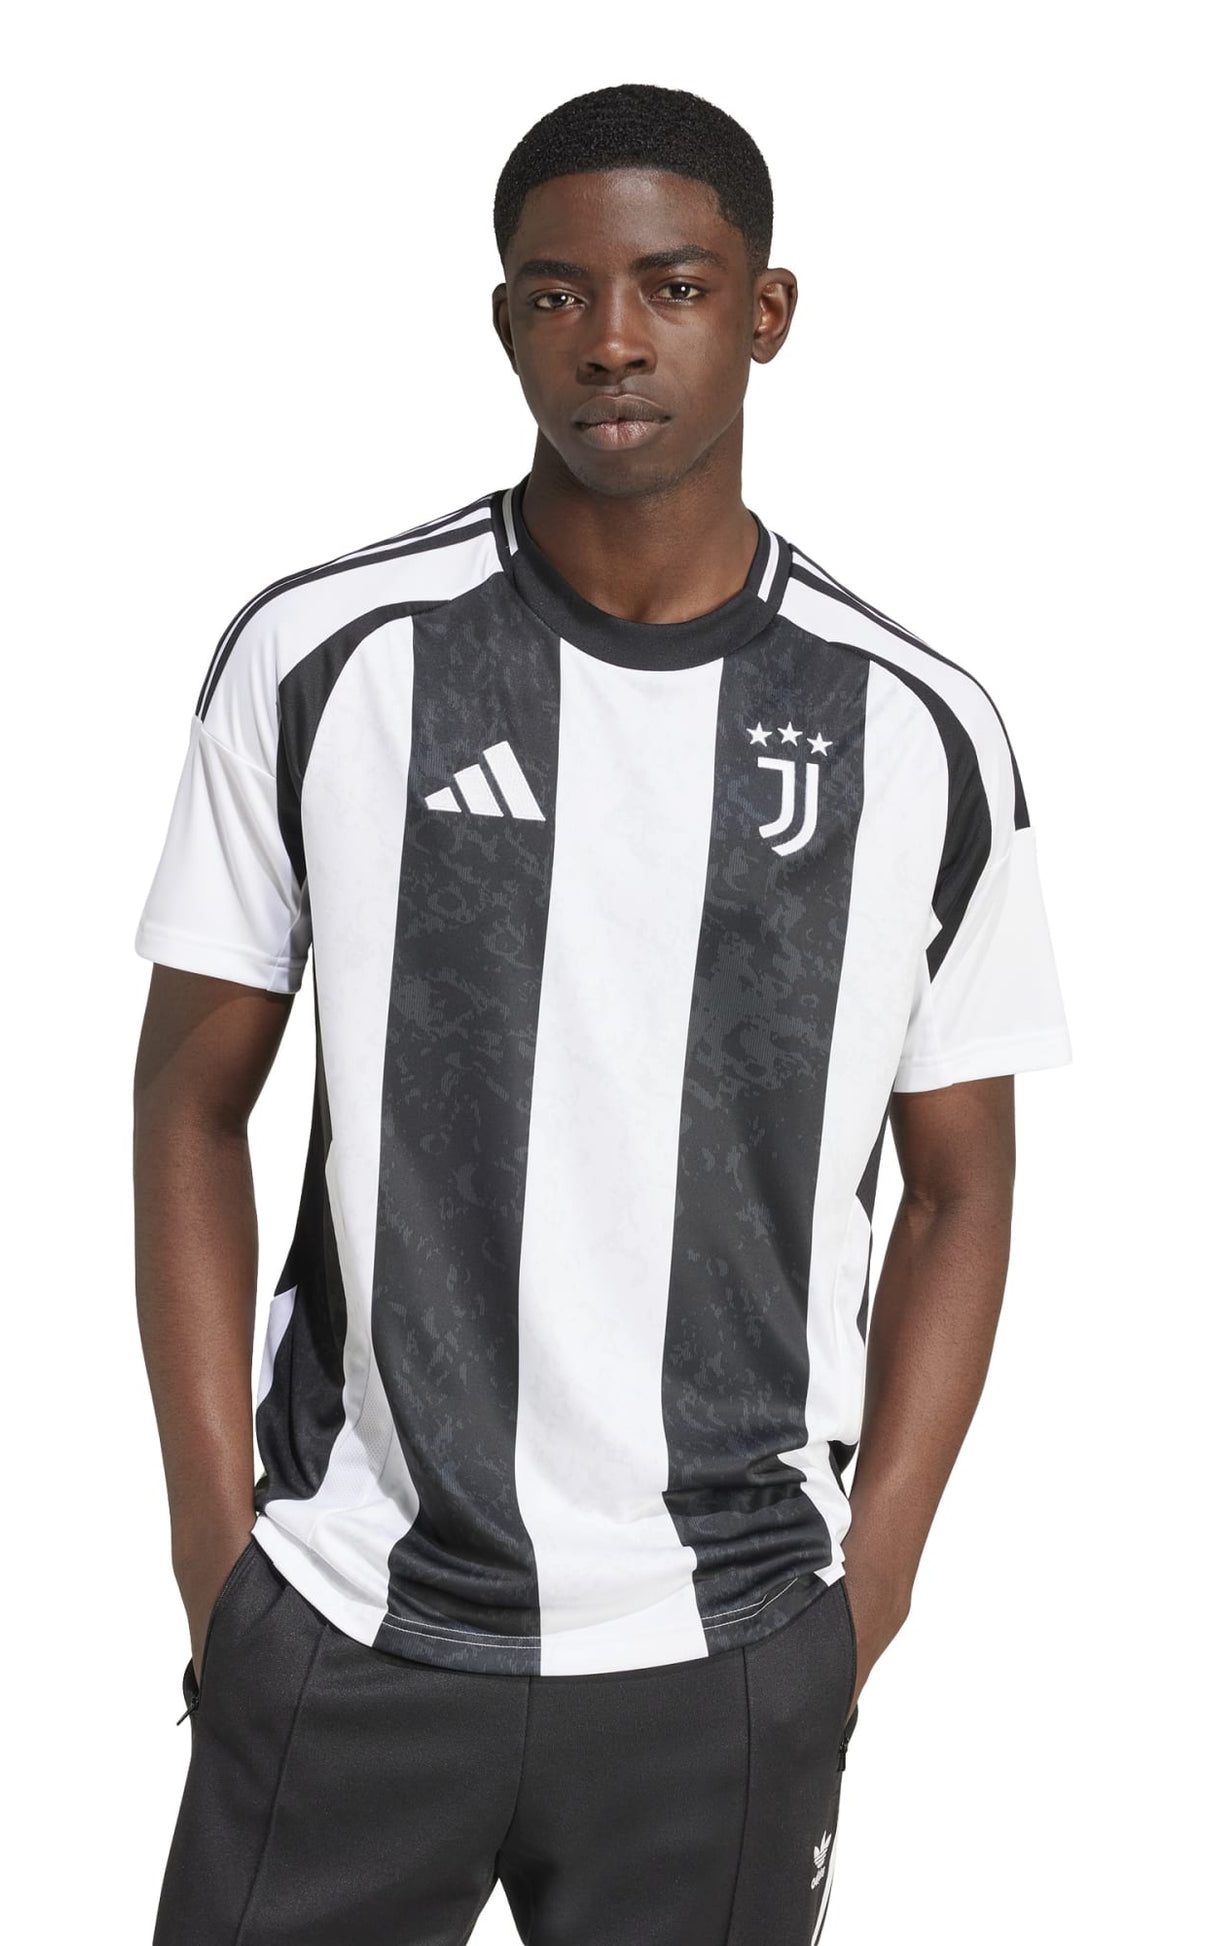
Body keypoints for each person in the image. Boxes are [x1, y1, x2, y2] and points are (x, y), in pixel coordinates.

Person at [131, 81, 1070, 1946]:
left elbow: (962, 1182)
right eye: (558, 295)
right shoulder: (327, 658)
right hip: (351, 1611)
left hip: (725, 1649)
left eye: (673, 285)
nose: (614, 339)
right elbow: (186, 1102)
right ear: (505, 322)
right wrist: (214, 1559)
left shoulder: (912, 728)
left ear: (765, 311)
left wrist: (868, 1592)